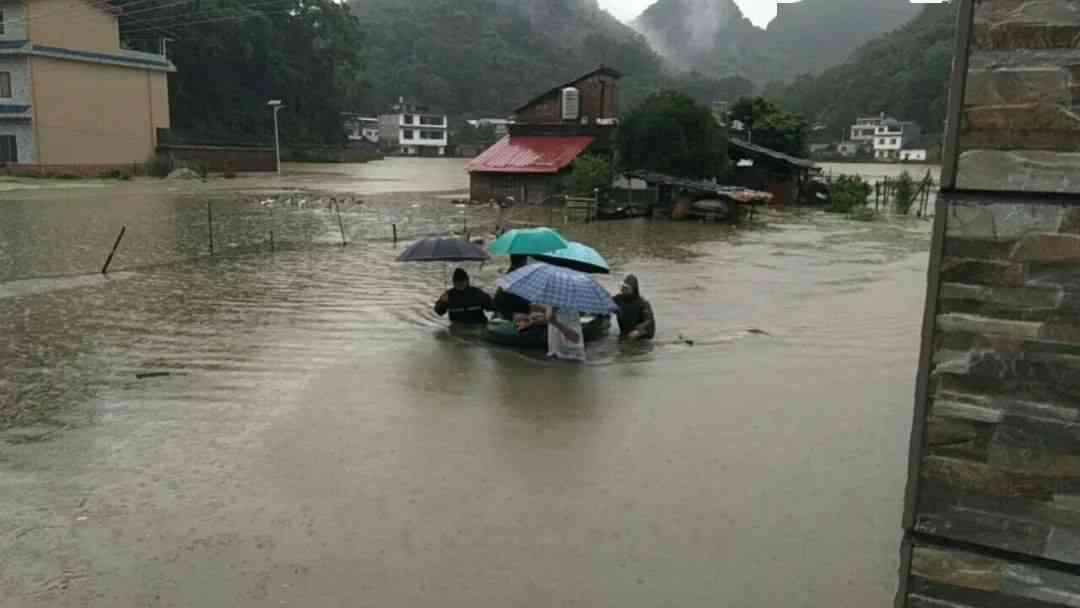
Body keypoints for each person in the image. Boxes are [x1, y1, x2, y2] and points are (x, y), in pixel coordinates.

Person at [613, 274, 655, 340]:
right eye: (622, 287)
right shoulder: (618, 299)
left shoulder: (643, 304)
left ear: (634, 289)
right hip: (624, 336)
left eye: (626, 288)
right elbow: (606, 305)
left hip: (640, 338)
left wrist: (639, 332)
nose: (623, 290)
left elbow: (650, 323)